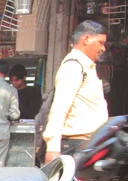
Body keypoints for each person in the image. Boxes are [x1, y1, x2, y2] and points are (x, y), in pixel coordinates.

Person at [43, 20, 108, 164]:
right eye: (100, 43)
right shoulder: (73, 66)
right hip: (75, 146)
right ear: (86, 39)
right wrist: (52, 147)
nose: (103, 48)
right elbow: (59, 108)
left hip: (88, 144)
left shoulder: (87, 67)